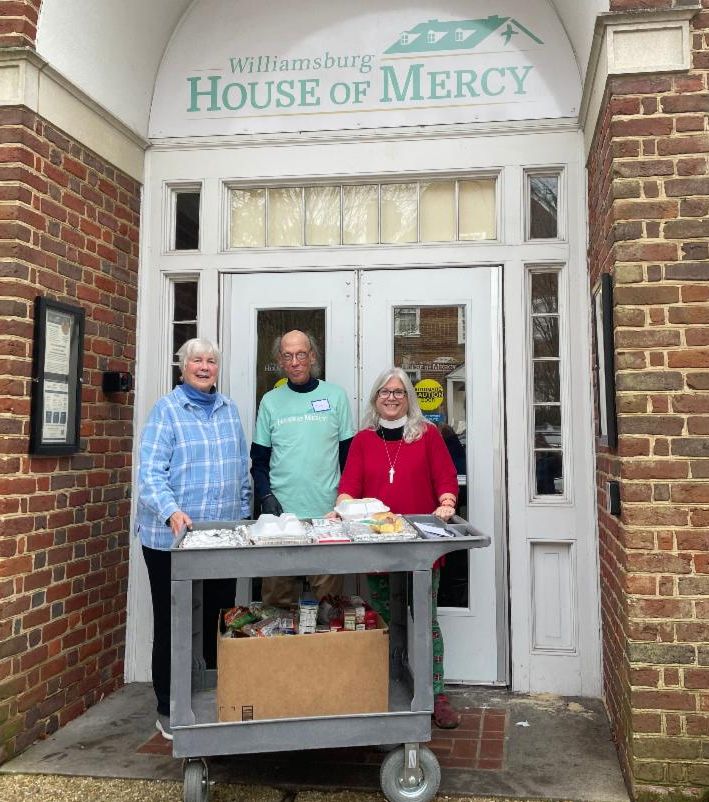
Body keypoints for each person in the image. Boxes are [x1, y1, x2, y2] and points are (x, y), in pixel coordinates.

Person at [136, 338, 251, 740]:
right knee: (174, 621)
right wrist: (171, 511)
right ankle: (169, 706)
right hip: (171, 540)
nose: (205, 366)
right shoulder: (166, 411)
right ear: (182, 368)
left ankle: (214, 695)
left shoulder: (228, 409)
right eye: (197, 361)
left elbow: (241, 469)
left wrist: (242, 517)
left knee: (218, 618)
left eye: (211, 361)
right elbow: (150, 474)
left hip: (219, 537)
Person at [335, 367, 461, 729]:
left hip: (420, 548)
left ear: (409, 398)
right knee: (384, 621)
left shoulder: (427, 435)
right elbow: (349, 486)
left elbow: (446, 478)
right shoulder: (363, 440)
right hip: (377, 547)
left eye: (399, 392)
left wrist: (448, 502)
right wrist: (341, 505)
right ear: (375, 398)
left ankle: (434, 692)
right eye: (384, 392)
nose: (391, 398)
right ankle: (387, 687)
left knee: (425, 621)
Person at [251, 330, 354, 606]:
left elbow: (350, 461)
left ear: (312, 357)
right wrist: (265, 497)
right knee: (276, 606)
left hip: (327, 520)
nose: (295, 361)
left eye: (300, 354)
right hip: (280, 522)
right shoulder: (270, 402)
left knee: (329, 607)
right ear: (280, 361)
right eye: (287, 356)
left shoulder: (336, 397)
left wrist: (344, 505)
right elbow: (258, 463)